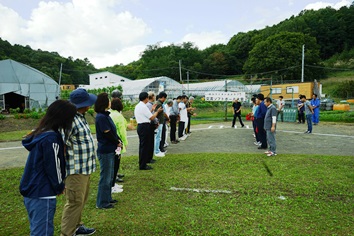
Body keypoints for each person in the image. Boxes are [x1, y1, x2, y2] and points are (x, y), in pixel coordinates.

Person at [20, 100, 77, 236]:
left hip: (32, 189)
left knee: (37, 228)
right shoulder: (51, 139)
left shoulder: (41, 132)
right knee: (43, 232)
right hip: (42, 192)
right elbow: (53, 166)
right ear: (64, 118)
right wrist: (59, 185)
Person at [61, 88, 97, 236]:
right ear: (84, 104)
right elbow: (62, 144)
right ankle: (67, 233)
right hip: (75, 170)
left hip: (85, 167)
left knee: (80, 200)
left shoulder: (81, 116)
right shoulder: (69, 120)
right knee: (74, 202)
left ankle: (77, 226)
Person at [95, 93, 121, 209]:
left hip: (110, 149)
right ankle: (102, 202)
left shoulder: (106, 115)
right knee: (105, 177)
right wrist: (117, 142)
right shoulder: (101, 117)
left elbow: (112, 131)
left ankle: (107, 197)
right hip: (105, 150)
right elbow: (107, 133)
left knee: (110, 176)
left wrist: (118, 139)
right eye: (108, 101)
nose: (110, 102)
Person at [134, 92, 163, 170]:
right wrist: (157, 112)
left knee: (143, 145)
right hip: (144, 126)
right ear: (146, 98)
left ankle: (144, 161)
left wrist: (152, 109)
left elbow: (146, 115)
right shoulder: (143, 106)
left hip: (140, 126)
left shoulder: (138, 106)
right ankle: (143, 164)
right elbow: (152, 117)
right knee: (144, 146)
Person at [110, 98, 128, 184]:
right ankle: (114, 177)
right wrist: (125, 142)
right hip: (118, 141)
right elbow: (122, 131)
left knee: (113, 159)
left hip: (111, 140)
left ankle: (115, 174)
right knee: (117, 159)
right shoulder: (118, 116)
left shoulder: (109, 113)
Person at [154, 92, 168, 157]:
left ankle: (158, 150)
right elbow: (156, 113)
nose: (165, 100)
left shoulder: (159, 103)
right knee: (158, 137)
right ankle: (156, 151)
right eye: (165, 98)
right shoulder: (158, 104)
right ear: (162, 97)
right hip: (159, 122)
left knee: (159, 137)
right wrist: (157, 122)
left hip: (160, 122)